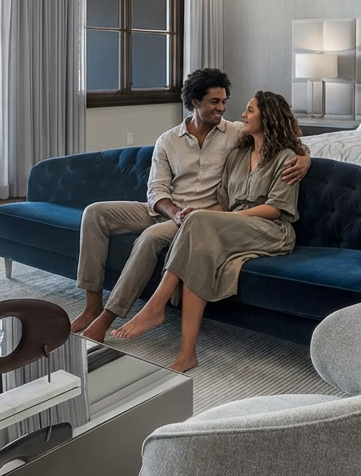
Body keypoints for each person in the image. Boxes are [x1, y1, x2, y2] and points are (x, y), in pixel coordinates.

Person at [71, 69, 309, 343]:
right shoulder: (168, 140)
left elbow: (281, 140)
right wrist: (172, 212)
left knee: (149, 238)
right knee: (95, 213)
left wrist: (304, 159)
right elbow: (156, 190)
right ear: (195, 102)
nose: (222, 108)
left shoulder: (234, 134)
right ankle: (92, 305)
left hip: (201, 218)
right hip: (166, 210)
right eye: (214, 102)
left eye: (224, 101)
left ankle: (110, 315)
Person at [113, 90, 304, 372]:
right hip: (234, 225)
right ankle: (187, 353)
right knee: (198, 245)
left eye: (250, 111)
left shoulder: (286, 158)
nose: (242, 114)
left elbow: (276, 209)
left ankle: (156, 306)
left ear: (268, 117)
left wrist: (224, 219)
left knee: (201, 223)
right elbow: (224, 203)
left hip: (271, 229)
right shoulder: (238, 155)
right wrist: (200, 215)